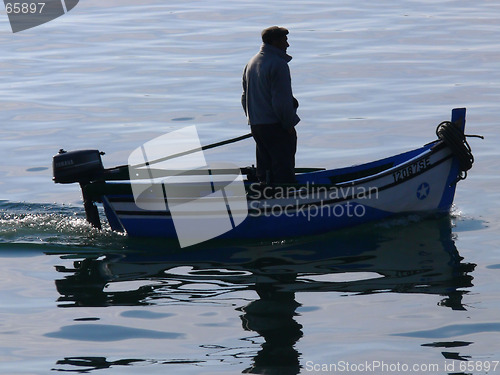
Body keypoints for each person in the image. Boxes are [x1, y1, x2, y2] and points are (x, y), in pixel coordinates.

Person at [242, 26, 300, 184]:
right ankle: (287, 202)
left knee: (265, 170)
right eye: (285, 40)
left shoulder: (251, 63)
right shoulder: (278, 64)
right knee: (283, 171)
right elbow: (281, 101)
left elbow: (244, 98)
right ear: (275, 42)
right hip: (276, 126)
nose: (287, 45)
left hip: (257, 126)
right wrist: (288, 124)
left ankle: (266, 199)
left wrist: (253, 119)